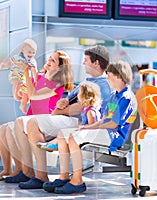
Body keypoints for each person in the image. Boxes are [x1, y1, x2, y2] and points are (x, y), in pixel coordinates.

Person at [13, 45, 112, 189]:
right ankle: (34, 173)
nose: (83, 63)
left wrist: (60, 111)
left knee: (32, 123)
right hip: (68, 117)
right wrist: (62, 104)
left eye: (86, 60)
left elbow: (85, 106)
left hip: (80, 121)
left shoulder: (103, 85)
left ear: (96, 63)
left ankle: (41, 175)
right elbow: (72, 101)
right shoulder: (87, 82)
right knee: (25, 123)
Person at [45, 61, 137, 194]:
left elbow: (113, 124)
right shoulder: (114, 95)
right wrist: (88, 128)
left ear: (118, 76)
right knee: (62, 134)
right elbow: (105, 119)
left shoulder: (126, 98)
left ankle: (77, 181)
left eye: (109, 75)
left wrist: (90, 129)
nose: (107, 78)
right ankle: (64, 177)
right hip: (106, 131)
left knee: (73, 138)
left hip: (114, 136)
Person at [0, 50, 74, 181]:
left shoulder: (57, 85)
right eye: (49, 58)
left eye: (53, 60)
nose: (48, 61)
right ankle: (12, 169)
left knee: (12, 128)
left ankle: (25, 170)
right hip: (30, 117)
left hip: (42, 120)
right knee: (2, 129)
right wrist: (17, 80)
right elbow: (21, 96)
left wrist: (27, 74)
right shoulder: (40, 77)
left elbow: (34, 94)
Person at [37, 80, 102, 152]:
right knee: (63, 132)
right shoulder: (86, 109)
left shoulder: (91, 112)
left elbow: (93, 127)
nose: (77, 97)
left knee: (68, 133)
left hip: (88, 134)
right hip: (84, 131)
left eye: (79, 94)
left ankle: (54, 145)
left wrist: (82, 127)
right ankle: (51, 144)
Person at [9, 38, 38, 114]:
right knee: (17, 82)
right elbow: (11, 60)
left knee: (26, 92)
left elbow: (35, 71)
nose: (31, 54)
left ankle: (23, 105)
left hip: (24, 78)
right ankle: (16, 94)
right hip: (15, 74)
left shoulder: (32, 61)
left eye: (33, 52)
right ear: (22, 50)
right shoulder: (18, 56)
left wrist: (35, 80)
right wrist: (17, 63)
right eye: (29, 52)